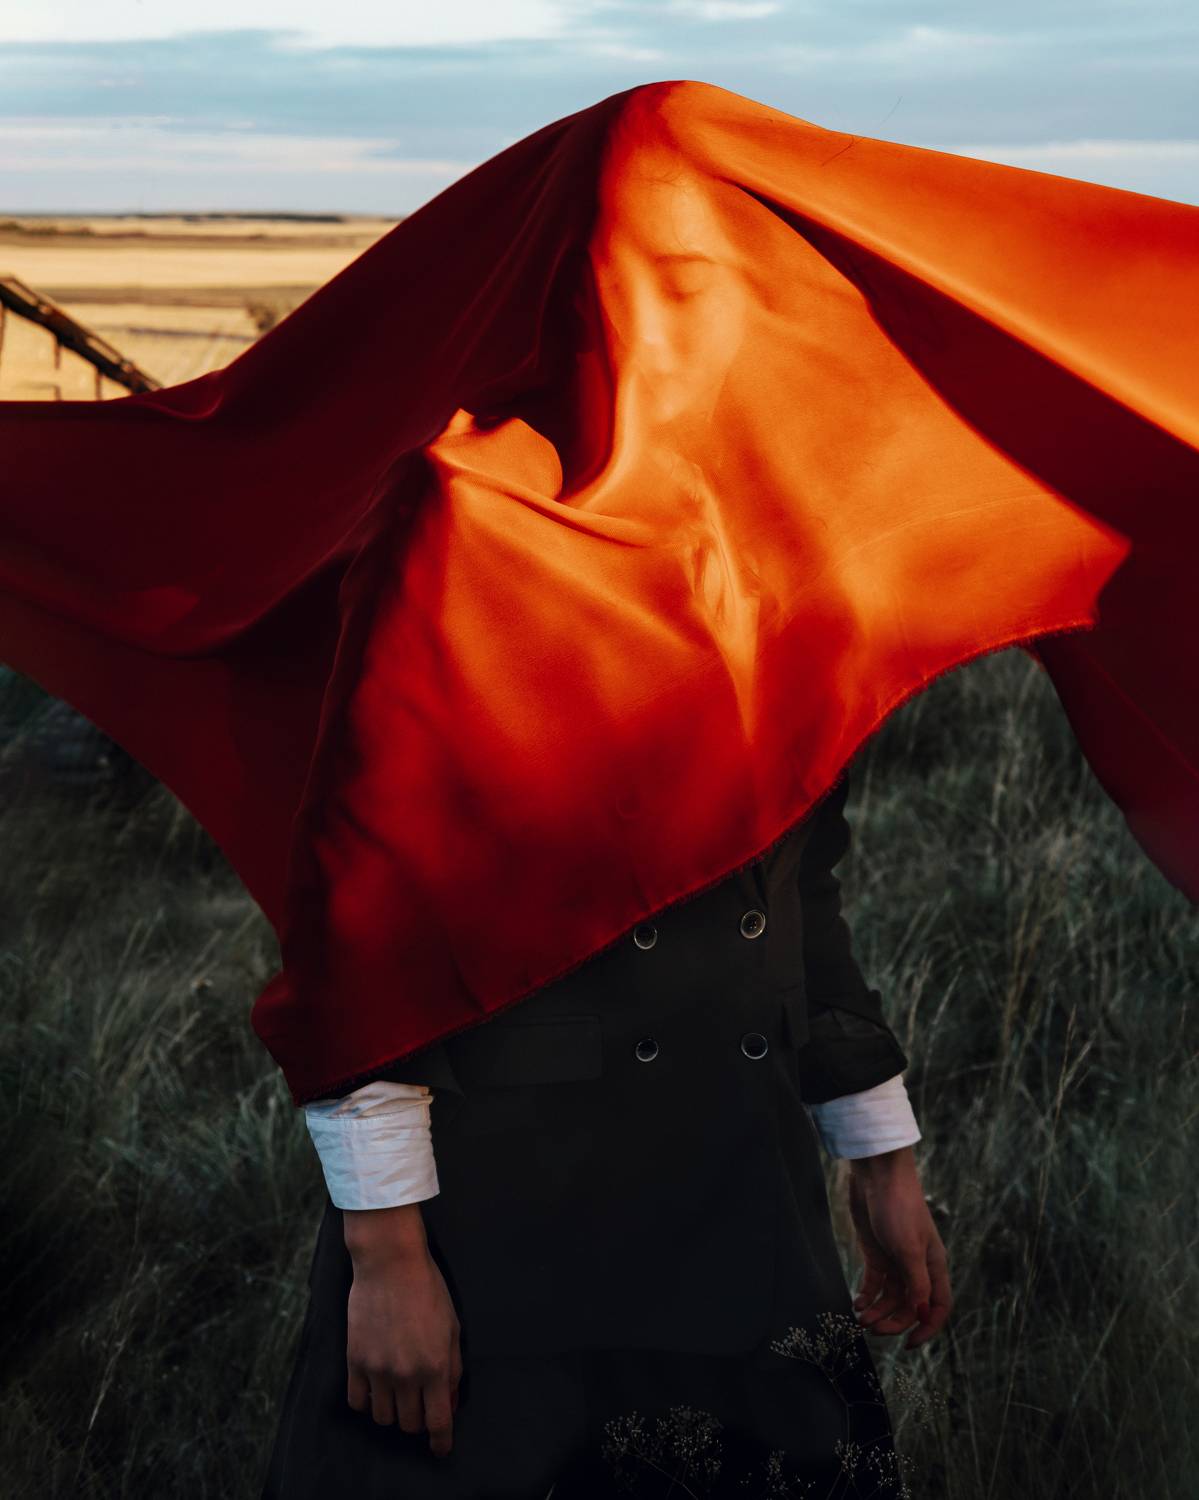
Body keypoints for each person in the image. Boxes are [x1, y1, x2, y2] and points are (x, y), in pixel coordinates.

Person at [261, 769, 952, 1498]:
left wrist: (881, 1155)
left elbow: (804, 890)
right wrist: (386, 1249)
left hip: (747, 1190)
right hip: (507, 1223)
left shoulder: (794, 685)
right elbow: (364, 923)